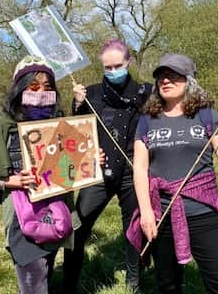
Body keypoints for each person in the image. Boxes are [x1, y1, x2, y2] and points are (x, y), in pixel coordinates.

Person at [0, 56, 103, 294]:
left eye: (47, 87)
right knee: (33, 278)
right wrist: (12, 181)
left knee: (46, 268)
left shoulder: (57, 122)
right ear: (20, 88)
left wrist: (91, 160)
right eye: (34, 87)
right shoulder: (3, 124)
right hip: (23, 215)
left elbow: (72, 162)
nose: (41, 92)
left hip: (57, 209)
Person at [127, 53, 218, 293]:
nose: (165, 81)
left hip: (204, 213)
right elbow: (140, 168)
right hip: (163, 214)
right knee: (167, 285)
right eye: (161, 76)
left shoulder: (205, 114)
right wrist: (147, 213)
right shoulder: (148, 119)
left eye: (173, 76)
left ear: (189, 80)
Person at [64, 39, 152, 292]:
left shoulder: (146, 93)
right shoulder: (90, 93)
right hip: (98, 173)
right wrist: (78, 105)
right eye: (108, 67)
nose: (113, 71)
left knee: (134, 231)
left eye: (118, 66)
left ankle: (133, 283)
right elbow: (74, 135)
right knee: (77, 227)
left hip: (132, 174)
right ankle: (69, 283)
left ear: (129, 62)